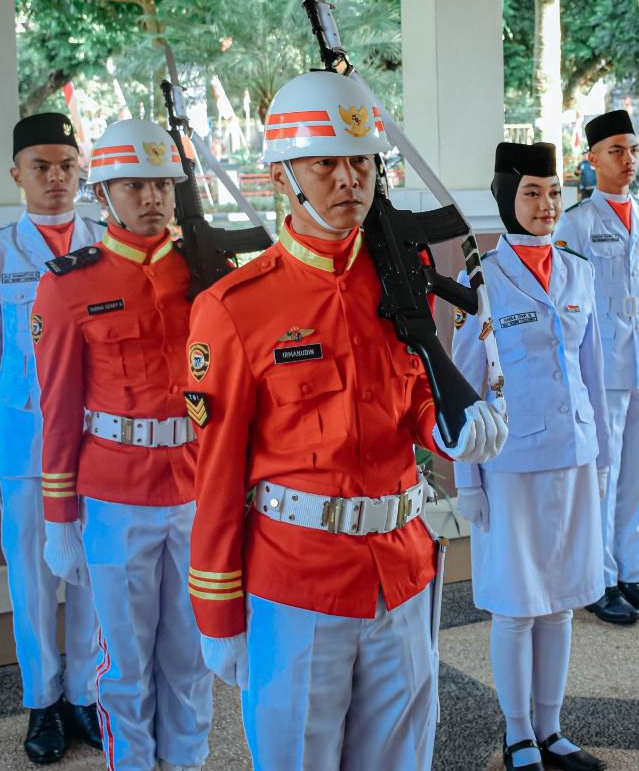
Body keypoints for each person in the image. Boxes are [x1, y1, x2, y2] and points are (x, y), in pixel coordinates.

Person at [186, 71, 507, 769]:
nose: (348, 180)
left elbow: (410, 390)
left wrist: (444, 426)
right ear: (281, 176)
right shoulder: (236, 308)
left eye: (361, 161)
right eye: (324, 163)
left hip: (403, 568)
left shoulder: (399, 278)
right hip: (298, 583)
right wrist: (218, 609)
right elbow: (215, 477)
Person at [33, 118, 211, 771]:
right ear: (103, 193)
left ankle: (186, 762)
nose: (152, 197)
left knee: (192, 655)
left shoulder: (205, 270)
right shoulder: (69, 284)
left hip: (195, 486)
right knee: (125, 664)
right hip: (115, 496)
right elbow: (57, 409)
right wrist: (60, 520)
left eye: (162, 183)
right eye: (134, 185)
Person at [453, 141, 609, 771]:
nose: (546, 205)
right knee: (517, 607)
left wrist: (603, 456)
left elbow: (593, 372)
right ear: (506, 198)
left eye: (553, 192)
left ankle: (551, 728)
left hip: (573, 454)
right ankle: (518, 733)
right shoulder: (482, 280)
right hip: (510, 462)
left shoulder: (579, 271)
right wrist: (467, 480)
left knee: (561, 601)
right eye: (532, 193)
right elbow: (464, 388)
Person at [0, 113, 104, 764]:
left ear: (82, 171)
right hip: (25, 444)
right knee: (33, 582)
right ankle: (43, 702)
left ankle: (85, 695)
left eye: (67, 166)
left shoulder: (109, 244)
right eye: (41, 167)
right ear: (16, 174)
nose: (55, 178)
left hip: (100, 442)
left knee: (93, 574)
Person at [556, 109, 639, 626]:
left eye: (632, 150)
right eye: (616, 151)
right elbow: (568, 306)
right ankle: (599, 579)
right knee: (603, 478)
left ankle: (629, 573)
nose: (628, 160)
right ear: (592, 159)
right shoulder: (577, 223)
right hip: (602, 368)